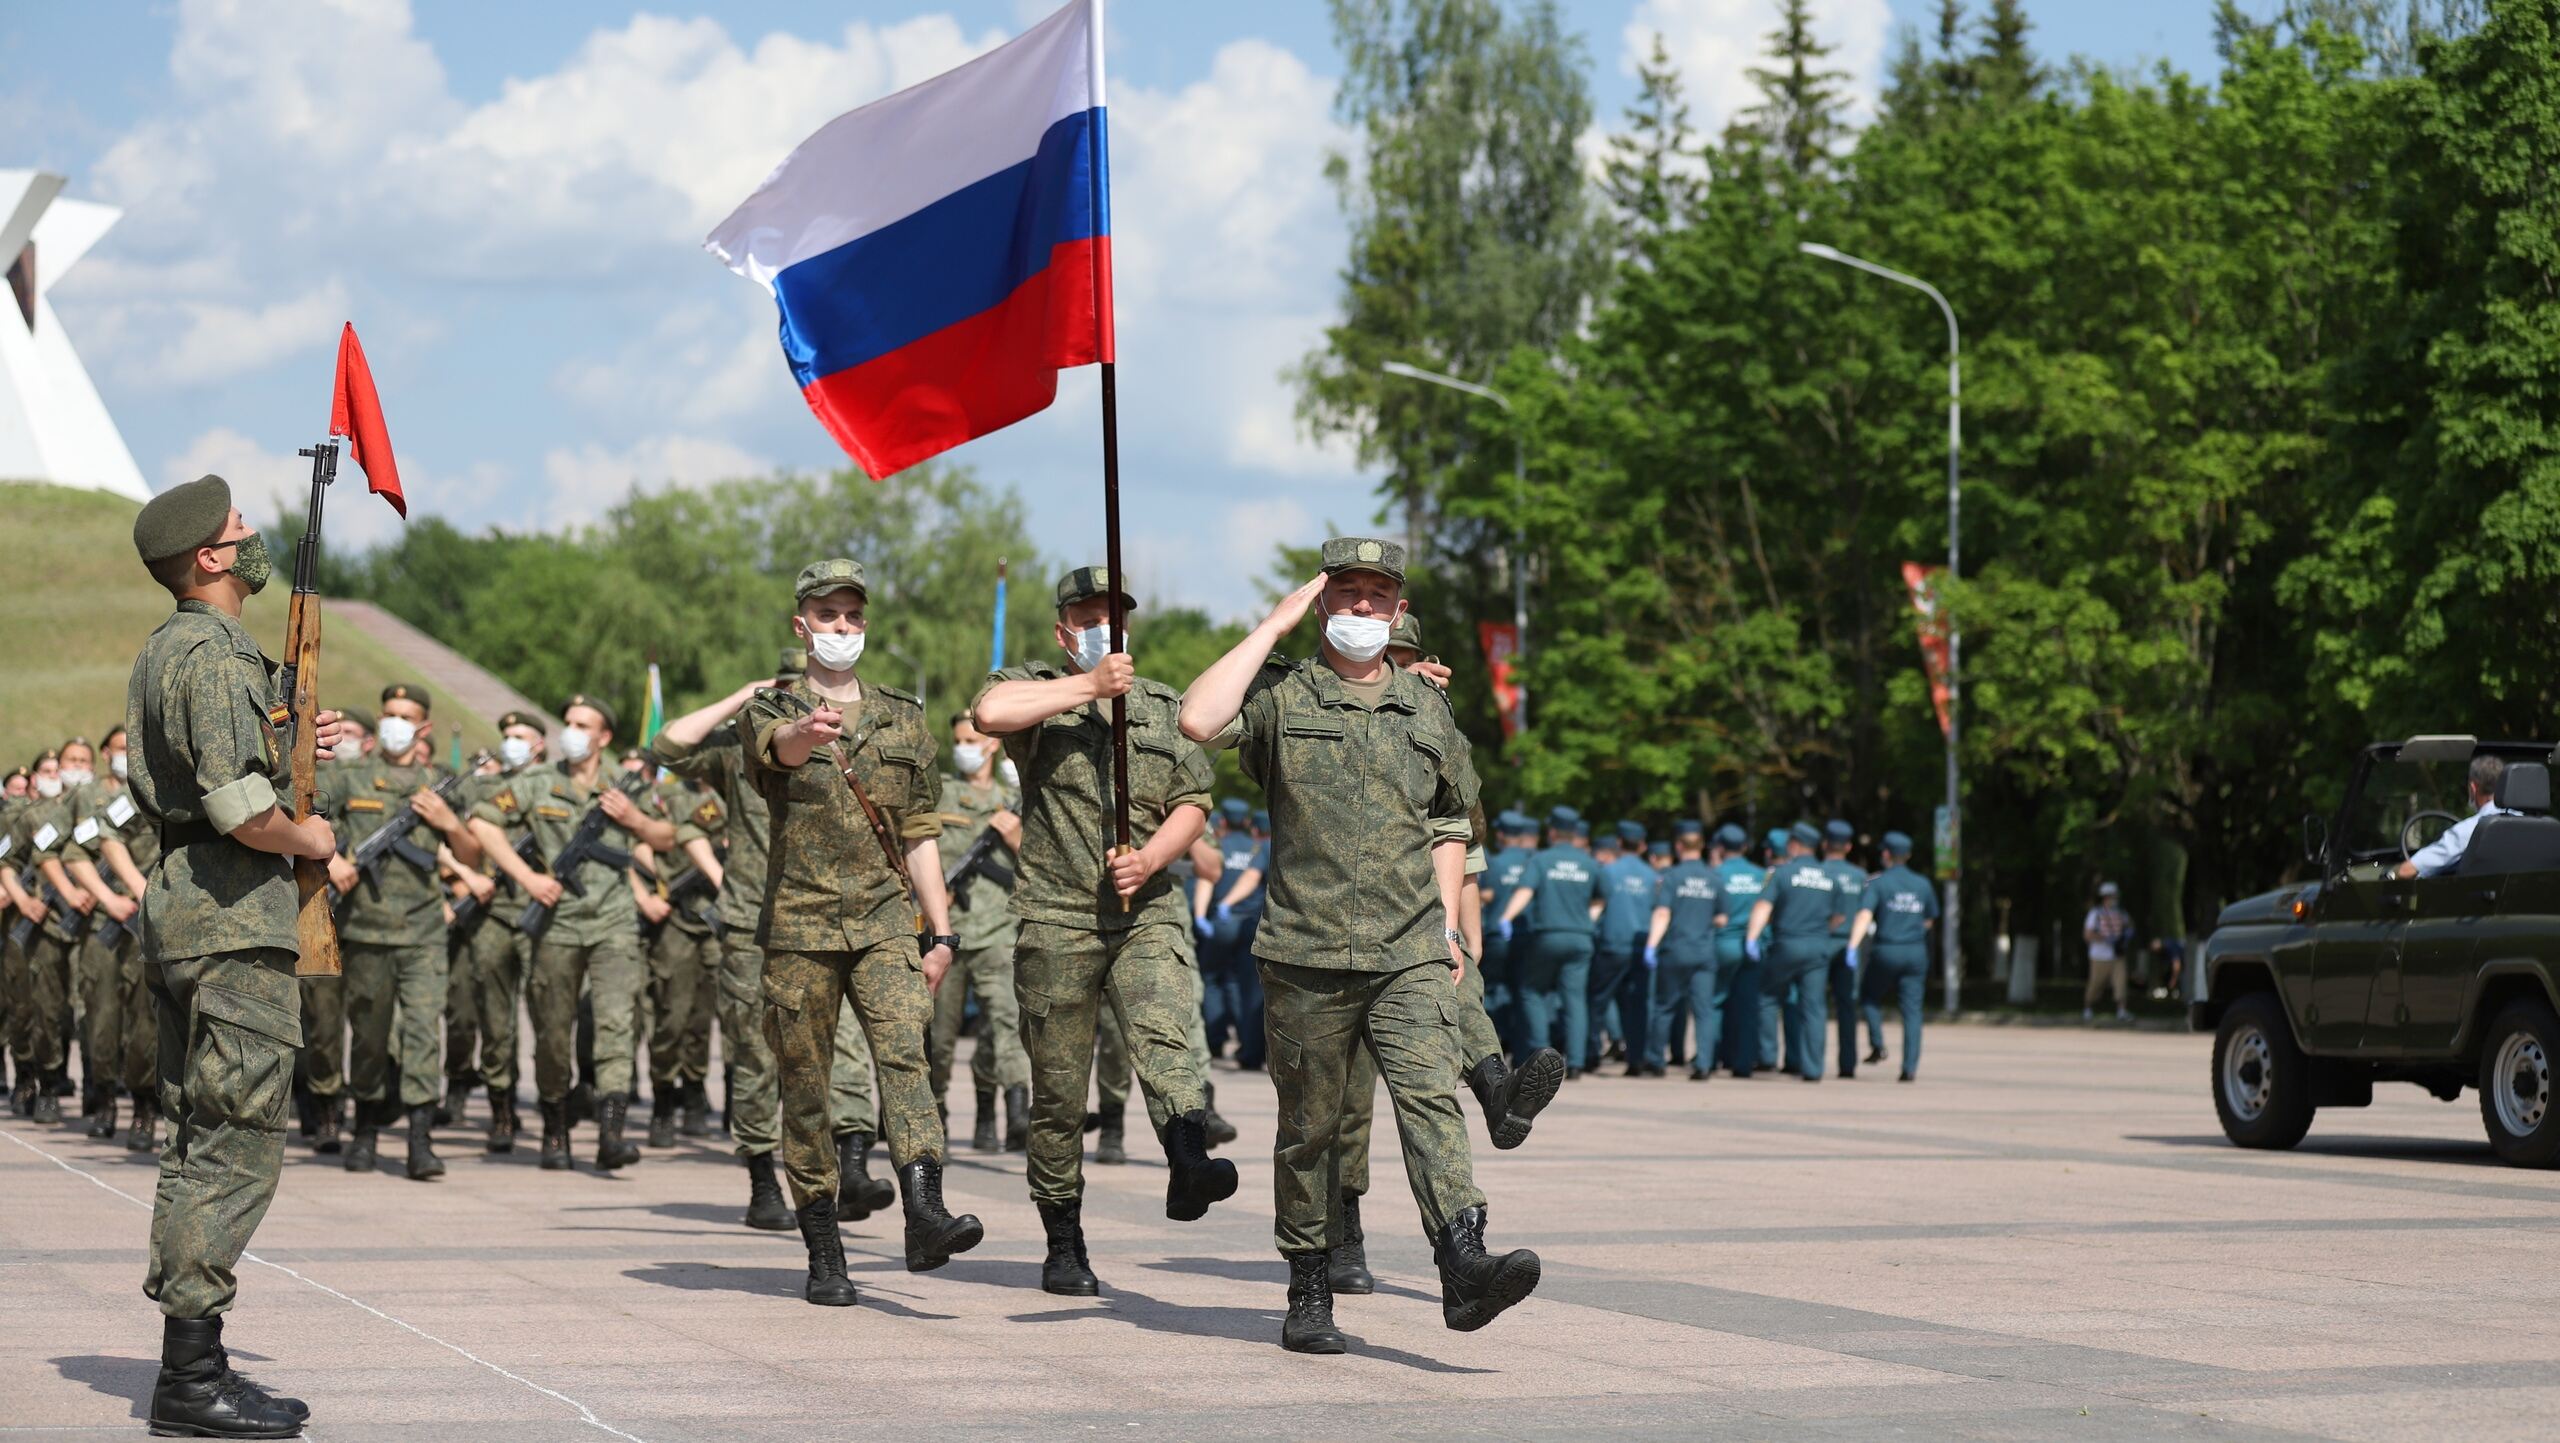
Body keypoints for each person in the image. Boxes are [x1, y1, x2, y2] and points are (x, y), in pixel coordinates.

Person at [1183, 537, 1539, 1355]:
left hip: (1409, 950)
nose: (1364, 610)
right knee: (1310, 1131)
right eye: (1347, 595)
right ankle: (1309, 1289)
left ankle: (1464, 1263)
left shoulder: (1428, 711)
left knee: (1430, 1102)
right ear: (1322, 605)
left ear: (1399, 609)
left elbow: (1451, 821)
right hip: (1306, 954)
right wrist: (1270, 627)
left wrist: (1448, 922)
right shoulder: (1282, 698)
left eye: (1379, 597)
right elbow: (1199, 719)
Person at [128, 472, 350, 1437]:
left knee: (195, 1134)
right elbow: (240, 809)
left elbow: (229, 766)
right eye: (237, 527)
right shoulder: (216, 651)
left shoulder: (169, 649)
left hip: (189, 912)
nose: (255, 532)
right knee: (236, 1143)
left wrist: (298, 740)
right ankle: (192, 1377)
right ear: (210, 559)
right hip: (230, 917)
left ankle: (193, 1361)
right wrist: (312, 839)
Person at [973, 565, 1235, 1297]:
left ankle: (1188, 1162)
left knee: (1166, 1031)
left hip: (1144, 908)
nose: (1103, 631)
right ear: (1063, 633)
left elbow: (1194, 799)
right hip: (1056, 919)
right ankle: (1063, 1238)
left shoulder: (1159, 706)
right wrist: (1089, 688)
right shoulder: (1038, 690)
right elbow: (989, 712)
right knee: (1058, 1092)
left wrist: (1153, 854)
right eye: (1087, 620)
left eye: (1114, 618)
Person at [744, 558, 979, 1305]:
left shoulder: (903, 716)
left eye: (851, 616)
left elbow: (918, 833)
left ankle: (924, 1210)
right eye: (827, 614)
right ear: (801, 624)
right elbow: (776, 749)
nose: (841, 627)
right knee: (807, 1086)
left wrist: (940, 933)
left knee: (906, 1054)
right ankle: (824, 1249)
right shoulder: (770, 706)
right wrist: (806, 733)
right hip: (801, 924)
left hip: (884, 921)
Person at [652, 660, 892, 1235]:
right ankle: (763, 1180)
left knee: (852, 1048)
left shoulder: (854, 745)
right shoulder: (739, 753)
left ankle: (854, 1165)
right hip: (751, 924)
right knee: (757, 1056)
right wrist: (742, 694)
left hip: (832, 919)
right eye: (787, 691)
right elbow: (666, 746)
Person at [469, 693, 673, 1172]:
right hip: (557, 925)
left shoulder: (625, 785)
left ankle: (611, 1132)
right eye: (568, 722)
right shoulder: (539, 781)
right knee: (553, 1031)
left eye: (584, 724)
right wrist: (528, 879)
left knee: (617, 1024)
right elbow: (482, 821)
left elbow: (666, 837)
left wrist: (634, 818)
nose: (572, 731)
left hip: (614, 921)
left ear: (604, 737)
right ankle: (555, 1126)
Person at [325, 684, 478, 1179]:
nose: (393, 722)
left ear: (423, 727)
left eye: (404, 715)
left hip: (423, 932)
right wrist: (331, 860)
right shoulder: (349, 777)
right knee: (369, 1037)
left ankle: (419, 1139)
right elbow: (306, 820)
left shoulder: (441, 784)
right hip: (366, 930)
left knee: (421, 1035)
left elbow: (473, 855)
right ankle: (366, 1130)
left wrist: (449, 823)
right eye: (388, 713)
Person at [930, 711, 1029, 1153]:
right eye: (957, 740)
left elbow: (1043, 866)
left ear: (992, 744)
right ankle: (935, 1116)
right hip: (945, 934)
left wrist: (1016, 839)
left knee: (1007, 1024)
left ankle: (1019, 1109)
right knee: (938, 1034)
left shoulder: (1015, 798)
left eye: (970, 739)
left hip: (998, 930)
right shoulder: (940, 795)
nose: (963, 748)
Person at [65, 725, 162, 1150]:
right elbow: (71, 853)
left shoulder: (165, 790)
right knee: (102, 1018)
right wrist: (107, 898)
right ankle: (103, 1100)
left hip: (153, 926)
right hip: (108, 926)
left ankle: (144, 1108)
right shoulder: (101, 802)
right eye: (120, 749)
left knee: (146, 1025)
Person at [639, 769, 726, 1147]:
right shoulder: (664, 796)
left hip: (718, 917)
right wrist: (653, 887)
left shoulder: (737, 791)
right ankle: (663, 1100)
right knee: (671, 1015)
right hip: (676, 917)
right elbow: (635, 841)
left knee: (702, 1017)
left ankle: (694, 1095)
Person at [295, 707, 369, 1152]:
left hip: (372, 922)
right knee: (322, 1025)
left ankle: (367, 1112)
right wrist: (330, 859)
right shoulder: (313, 781)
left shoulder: (375, 785)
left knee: (371, 1025)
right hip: (319, 915)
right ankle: (324, 1109)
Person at [1498, 808, 1602, 1080]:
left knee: (1532, 992)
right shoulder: (1589, 863)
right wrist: (1587, 920)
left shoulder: (1542, 860)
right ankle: (1577, 1062)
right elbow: (1601, 898)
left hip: (1548, 936)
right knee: (1574, 998)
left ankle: (1540, 1058)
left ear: (1552, 832)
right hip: (1581, 937)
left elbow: (1524, 891)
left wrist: (1506, 917)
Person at [1744, 824, 1841, 1083]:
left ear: (1794, 845)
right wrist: (1821, 932)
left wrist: (1752, 937)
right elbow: (1840, 916)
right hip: (1818, 946)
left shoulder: (1783, 873)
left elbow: (1763, 906)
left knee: (1766, 996)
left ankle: (1767, 1055)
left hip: (1787, 944)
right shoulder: (1829, 877)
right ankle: (1813, 1068)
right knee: (1813, 1008)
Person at [1848, 831, 1938, 1082]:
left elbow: (1865, 915)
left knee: (1869, 996)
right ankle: (1909, 1068)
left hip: (1886, 950)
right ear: (1907, 855)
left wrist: (1852, 946)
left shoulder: (1879, 883)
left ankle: (1878, 1044)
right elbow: (1929, 920)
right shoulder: (1922, 883)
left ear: (1886, 854)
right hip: (1915, 952)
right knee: (1912, 1011)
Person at [1643, 822, 1720, 1079]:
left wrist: (1651, 944)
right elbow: (1722, 919)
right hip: (1704, 951)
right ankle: (1704, 1064)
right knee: (1703, 1010)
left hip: (1676, 949)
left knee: (1664, 1006)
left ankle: (1656, 1061)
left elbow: (1663, 912)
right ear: (1702, 846)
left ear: (1678, 846)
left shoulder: (1672, 877)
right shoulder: (1713, 877)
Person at [1593, 821, 1659, 1074]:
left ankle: (1589, 1054)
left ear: (1619, 843)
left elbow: (1598, 906)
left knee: (1598, 1002)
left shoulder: (1607, 871)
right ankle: (1636, 1059)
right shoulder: (1652, 876)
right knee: (1637, 1005)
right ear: (1642, 846)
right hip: (1640, 947)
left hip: (1612, 943)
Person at [2400, 752, 2513, 879]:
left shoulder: (2471, 830)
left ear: (2473, 788)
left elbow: (2407, 870)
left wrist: (2387, 874)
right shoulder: (2533, 825)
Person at [1708, 824, 1762, 1078]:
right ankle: (1743, 1063)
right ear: (1745, 847)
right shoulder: (1761, 875)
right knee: (1747, 1006)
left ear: (1720, 848)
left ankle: (1708, 1060)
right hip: (1752, 946)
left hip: (1722, 943)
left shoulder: (1715, 874)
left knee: (1714, 1003)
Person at [1818, 821, 1868, 1079]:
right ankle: (1847, 1064)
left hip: (1821, 941)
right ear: (1848, 846)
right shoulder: (1860, 876)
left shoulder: (1817, 872)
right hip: (1850, 944)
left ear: (1825, 844)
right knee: (1847, 1006)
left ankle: (1813, 1061)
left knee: (1814, 1004)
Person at [2081, 882, 2133, 1022]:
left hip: (2117, 955)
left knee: (2120, 982)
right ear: (2105, 897)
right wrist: (2105, 939)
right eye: (2112, 896)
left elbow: (2128, 928)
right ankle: (2088, 1008)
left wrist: (2125, 937)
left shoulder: (2122, 913)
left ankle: (2121, 1010)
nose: (2114, 899)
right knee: (2096, 984)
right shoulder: (2095, 913)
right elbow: (2087, 935)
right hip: (2099, 956)